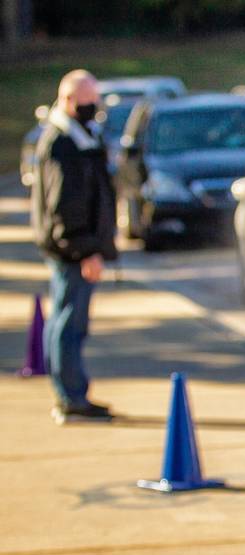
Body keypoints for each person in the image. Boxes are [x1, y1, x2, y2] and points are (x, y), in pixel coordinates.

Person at [30, 70, 118, 423]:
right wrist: (86, 250)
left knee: (67, 320)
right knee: (70, 323)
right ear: (68, 100)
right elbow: (67, 206)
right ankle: (71, 397)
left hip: (72, 248)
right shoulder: (63, 143)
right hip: (73, 251)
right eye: (87, 102)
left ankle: (72, 393)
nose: (93, 108)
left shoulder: (78, 136)